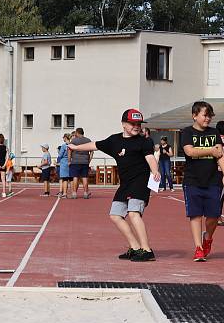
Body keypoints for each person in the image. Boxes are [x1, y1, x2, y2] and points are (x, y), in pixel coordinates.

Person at [67, 109, 159, 262]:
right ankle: (135, 248)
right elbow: (94, 145)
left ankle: (147, 250)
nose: (136, 126)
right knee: (115, 215)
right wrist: (75, 148)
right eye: (132, 123)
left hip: (140, 182)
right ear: (123, 124)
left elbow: (150, 157)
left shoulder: (144, 141)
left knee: (133, 213)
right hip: (125, 184)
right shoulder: (114, 141)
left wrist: (155, 170)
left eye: (139, 124)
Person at [180, 101, 224, 262]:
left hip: (213, 180)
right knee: (195, 215)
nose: (208, 118)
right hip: (192, 180)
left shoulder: (214, 132)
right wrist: (210, 150)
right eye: (205, 115)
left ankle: (207, 238)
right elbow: (190, 151)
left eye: (210, 116)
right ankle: (198, 248)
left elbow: (220, 154)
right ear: (195, 115)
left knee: (213, 216)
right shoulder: (187, 132)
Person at [69, 127, 92, 199]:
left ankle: (74, 193)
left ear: (77, 132)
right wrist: (89, 160)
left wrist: (69, 160)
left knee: (75, 177)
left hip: (75, 161)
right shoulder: (88, 140)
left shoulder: (73, 140)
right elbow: (92, 151)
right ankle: (85, 193)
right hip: (85, 161)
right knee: (84, 177)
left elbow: (69, 151)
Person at [56, 133, 72, 198]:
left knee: (65, 179)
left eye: (63, 137)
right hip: (71, 161)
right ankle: (72, 193)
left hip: (64, 162)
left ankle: (65, 193)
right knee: (71, 179)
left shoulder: (63, 146)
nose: (63, 138)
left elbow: (60, 155)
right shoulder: (72, 145)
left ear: (65, 138)